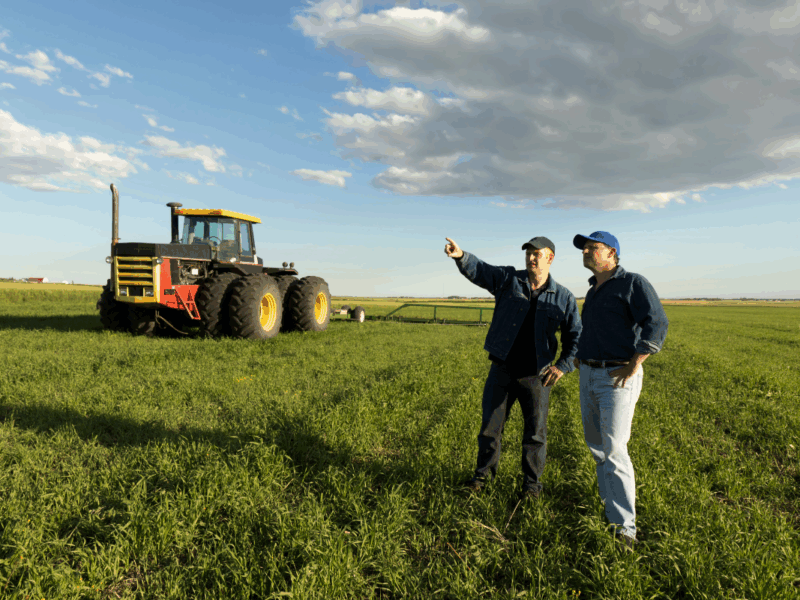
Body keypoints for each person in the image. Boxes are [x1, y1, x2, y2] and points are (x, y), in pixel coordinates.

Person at [444, 236, 581, 501]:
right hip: (503, 370)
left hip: (537, 376)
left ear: (550, 258)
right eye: (528, 253)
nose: (531, 258)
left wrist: (563, 367)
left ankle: (532, 486)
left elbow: (575, 336)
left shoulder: (563, 297)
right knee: (490, 430)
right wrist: (462, 257)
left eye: (536, 254)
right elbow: (482, 272)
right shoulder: (509, 281)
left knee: (535, 436)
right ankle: (482, 477)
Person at [572, 231, 668, 549]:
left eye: (592, 247)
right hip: (589, 373)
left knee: (614, 451)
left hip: (617, 377)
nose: (586, 252)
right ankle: (610, 508)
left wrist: (635, 363)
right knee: (598, 448)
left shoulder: (632, 283)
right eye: (584, 248)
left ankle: (625, 528)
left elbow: (656, 322)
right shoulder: (594, 289)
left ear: (612, 253)